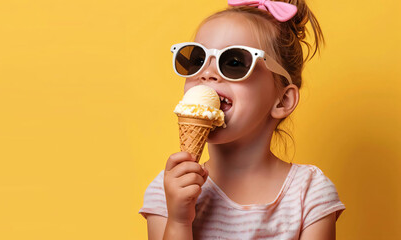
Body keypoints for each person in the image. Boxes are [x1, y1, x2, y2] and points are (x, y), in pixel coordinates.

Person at [139, 0, 346, 239]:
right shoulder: (168, 191)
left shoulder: (309, 193)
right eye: (197, 59)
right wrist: (178, 220)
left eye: (234, 63)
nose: (207, 73)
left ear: (283, 101)